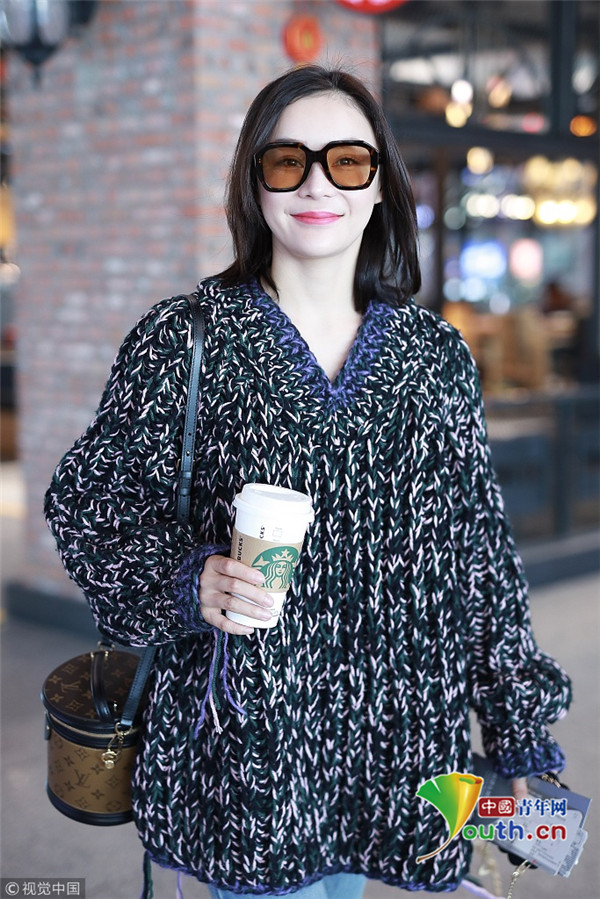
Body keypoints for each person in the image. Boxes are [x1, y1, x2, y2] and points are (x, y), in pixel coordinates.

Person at [45, 66, 571, 899]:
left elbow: (479, 561)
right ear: (255, 185)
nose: (318, 183)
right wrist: (188, 579)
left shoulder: (434, 359)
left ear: (380, 186)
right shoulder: (187, 339)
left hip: (392, 758)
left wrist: (517, 732)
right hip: (246, 756)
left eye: (348, 162)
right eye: (288, 161)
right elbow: (88, 505)